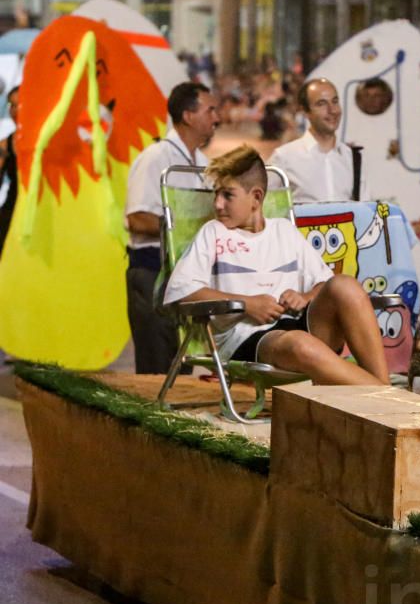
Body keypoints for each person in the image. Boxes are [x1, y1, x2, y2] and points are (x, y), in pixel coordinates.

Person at [163, 145, 388, 385]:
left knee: (345, 285)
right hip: (247, 338)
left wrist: (305, 296)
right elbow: (182, 291)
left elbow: (324, 283)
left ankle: (382, 387)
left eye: (228, 195)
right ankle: (389, 398)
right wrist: (247, 304)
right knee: (300, 343)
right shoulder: (214, 233)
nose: (217, 204)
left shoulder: (283, 230)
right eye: (216, 194)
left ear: (256, 197)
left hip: (299, 326)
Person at [125, 82, 220, 374]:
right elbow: (138, 218)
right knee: (156, 365)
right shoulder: (157, 158)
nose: (216, 118)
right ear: (188, 116)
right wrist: (185, 228)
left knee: (181, 367)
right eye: (210, 110)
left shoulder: (203, 164)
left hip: (186, 278)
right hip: (153, 274)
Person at [268, 78, 369, 204]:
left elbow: (365, 212)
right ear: (305, 111)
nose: (332, 110)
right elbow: (265, 210)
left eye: (335, 101)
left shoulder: (352, 158)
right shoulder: (284, 157)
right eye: (321, 104)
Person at [0, 86, 19, 256]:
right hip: (13, 208)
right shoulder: (6, 143)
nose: (15, 111)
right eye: (11, 105)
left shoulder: (48, 141)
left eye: (20, 105)